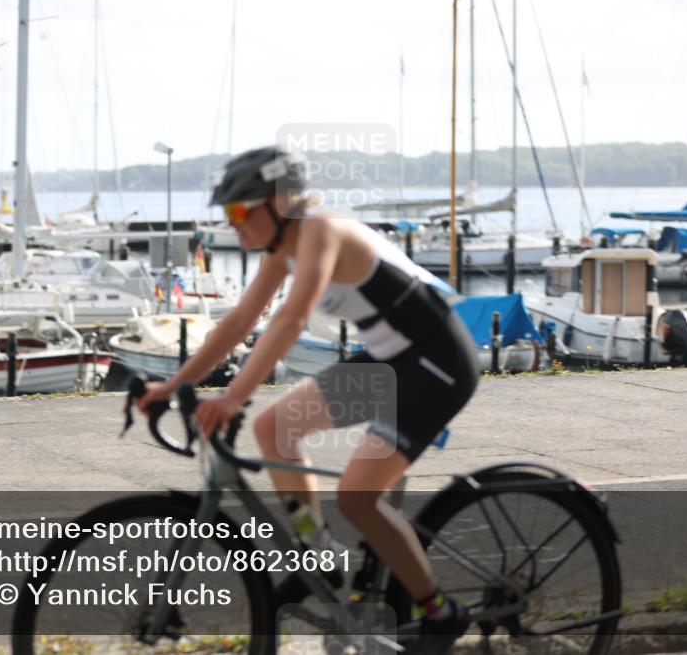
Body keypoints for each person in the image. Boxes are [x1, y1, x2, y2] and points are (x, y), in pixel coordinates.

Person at [134, 146, 481, 653]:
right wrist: (172, 384)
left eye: (237, 212)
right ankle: (317, 551)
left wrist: (231, 398)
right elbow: (239, 321)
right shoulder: (283, 248)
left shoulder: (320, 229)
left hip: (437, 363)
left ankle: (438, 610)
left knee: (358, 496)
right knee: (274, 428)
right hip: (390, 361)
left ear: (277, 203)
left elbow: (290, 320)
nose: (232, 225)